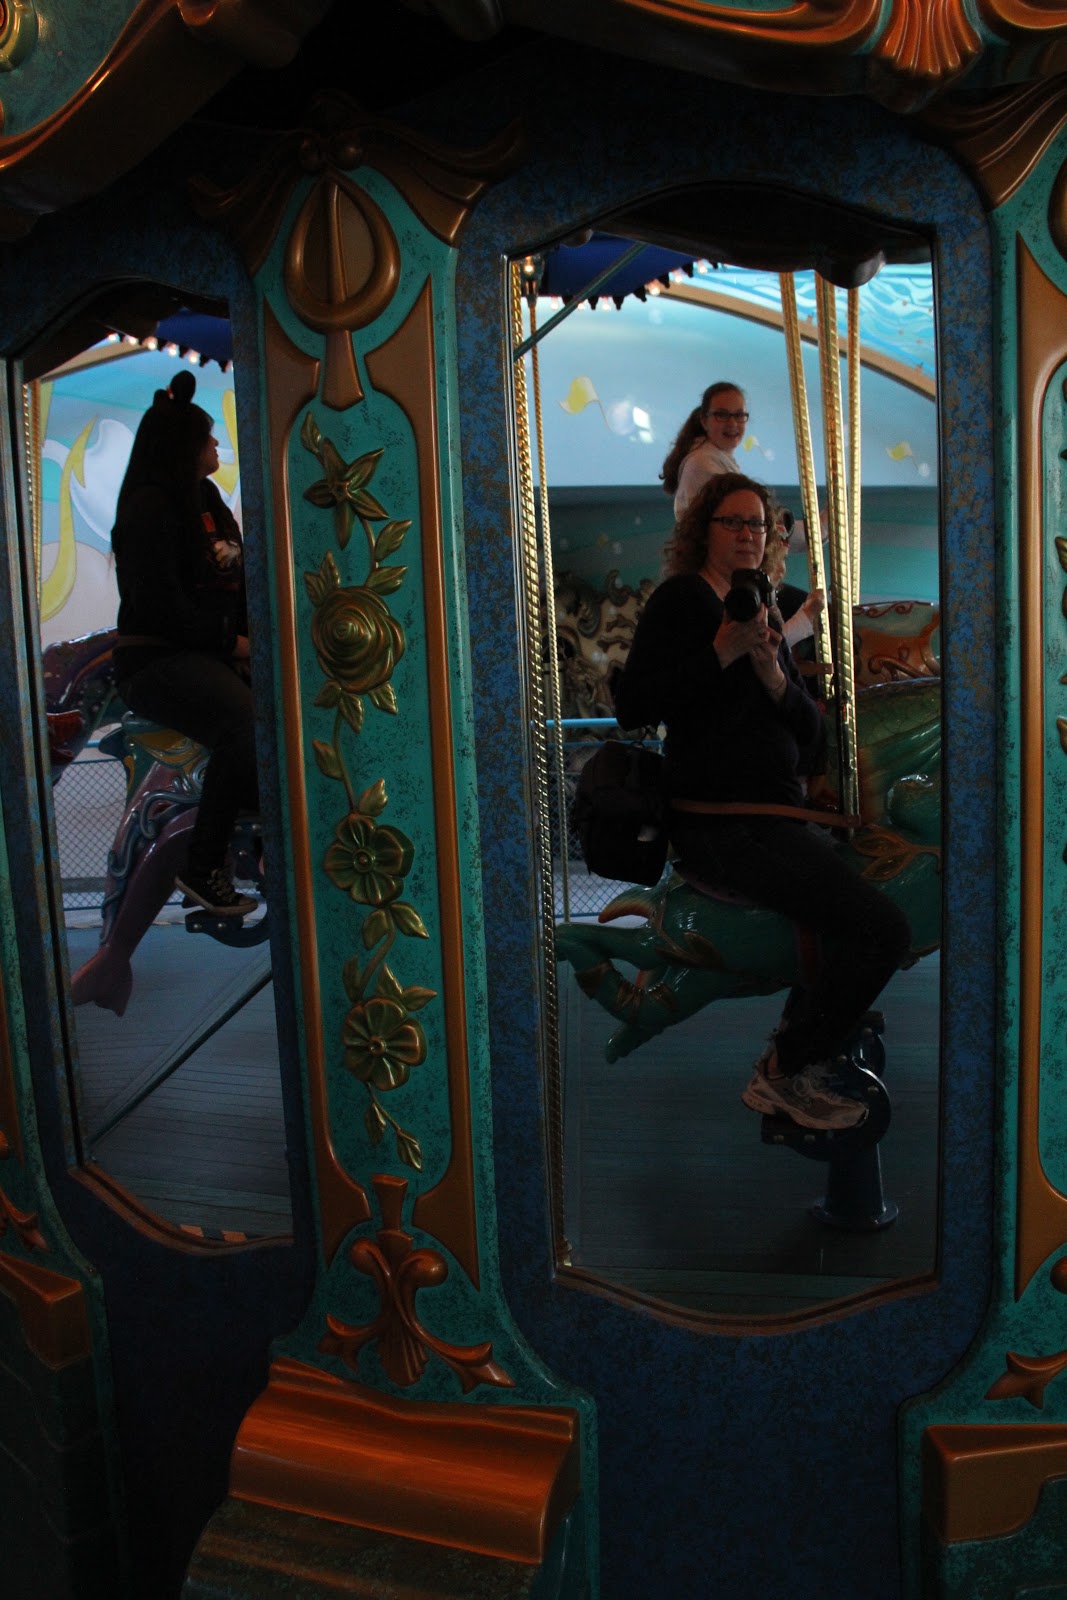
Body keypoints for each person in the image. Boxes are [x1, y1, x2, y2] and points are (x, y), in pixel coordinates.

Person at [613, 471, 911, 1131]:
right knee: (883, 929)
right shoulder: (682, 600)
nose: (748, 534)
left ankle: (807, 1036)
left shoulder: (767, 607)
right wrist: (720, 652)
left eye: (758, 524)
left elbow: (811, 739)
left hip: (778, 815)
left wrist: (774, 673)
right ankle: (783, 1071)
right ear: (705, 531)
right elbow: (633, 705)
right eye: (734, 522)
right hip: (724, 822)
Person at [110, 370, 258, 917]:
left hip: (206, 650)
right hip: (157, 657)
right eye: (207, 436)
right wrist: (232, 644)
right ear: (184, 447)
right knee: (246, 725)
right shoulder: (149, 508)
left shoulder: (206, 498)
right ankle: (204, 863)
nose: (216, 444)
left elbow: (237, 578)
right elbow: (160, 607)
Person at [660, 381, 749, 521]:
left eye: (739, 415)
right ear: (704, 421)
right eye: (722, 415)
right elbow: (735, 522)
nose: (732, 423)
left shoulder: (717, 457)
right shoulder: (703, 464)